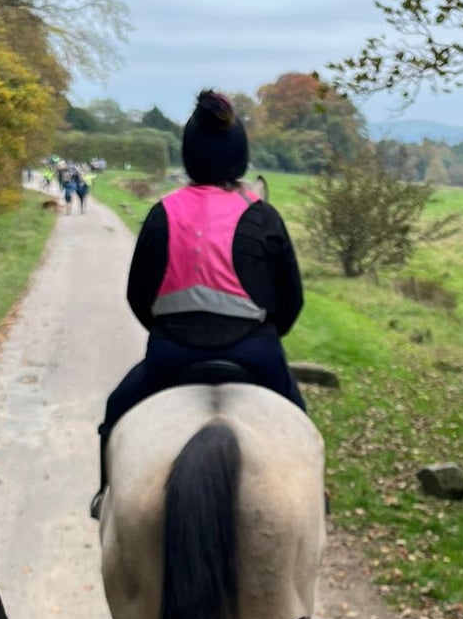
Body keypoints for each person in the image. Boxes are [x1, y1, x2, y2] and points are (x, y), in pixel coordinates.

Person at [91, 89, 305, 516]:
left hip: (173, 351)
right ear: (239, 155)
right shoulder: (264, 214)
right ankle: (314, 495)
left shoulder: (162, 212)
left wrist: (169, 328)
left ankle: (104, 494)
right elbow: (291, 301)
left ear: (189, 154)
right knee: (300, 420)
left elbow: (138, 296)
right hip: (255, 351)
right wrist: (263, 332)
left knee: (117, 409)